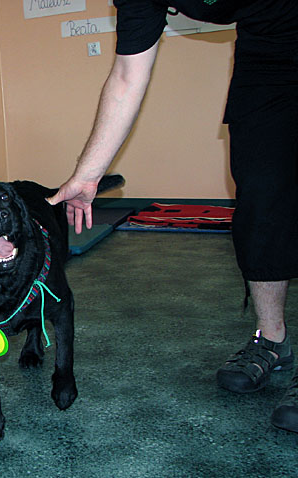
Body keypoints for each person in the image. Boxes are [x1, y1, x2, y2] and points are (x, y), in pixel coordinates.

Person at [47, 1, 298, 433]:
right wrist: (87, 175)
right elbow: (127, 77)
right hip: (266, 53)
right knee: (261, 204)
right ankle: (272, 340)